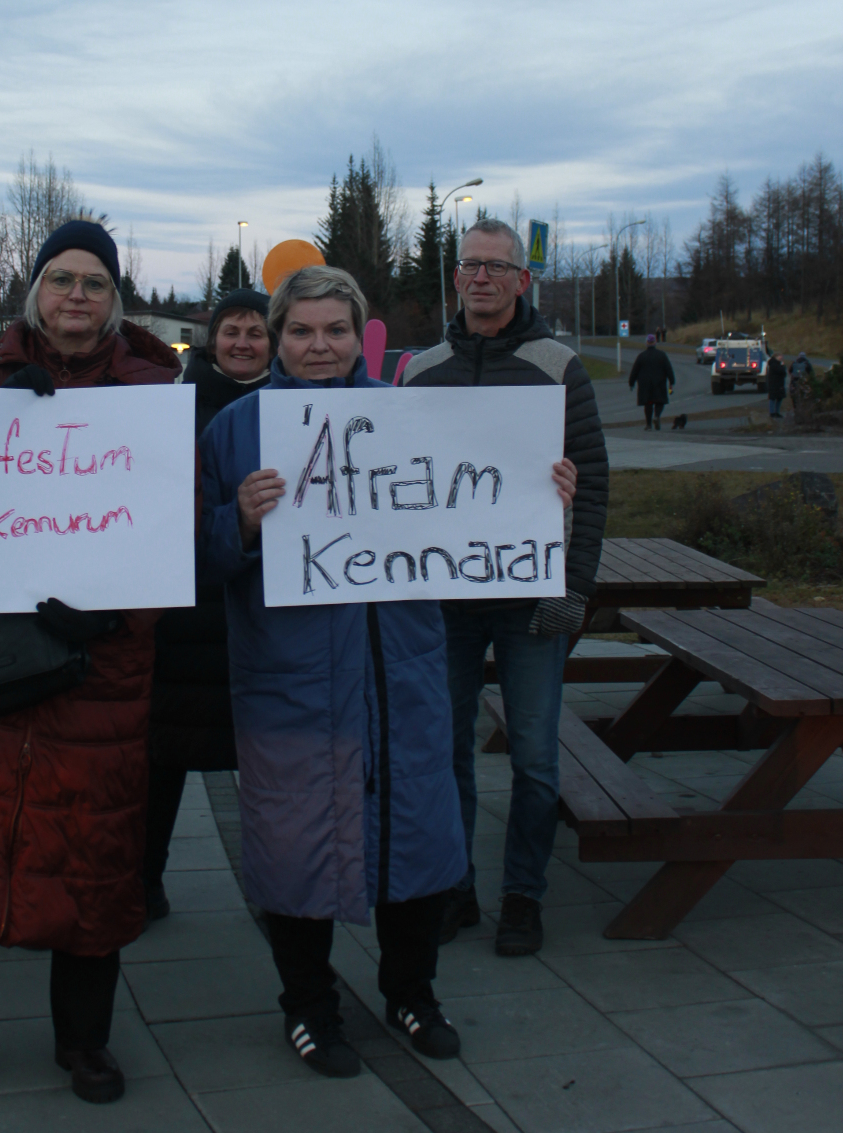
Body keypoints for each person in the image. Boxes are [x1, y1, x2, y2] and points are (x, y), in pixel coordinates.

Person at [0, 220, 182, 1109]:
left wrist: (116, 608)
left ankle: (84, 1043)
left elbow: (167, 533)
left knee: (89, 860)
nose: (78, 297)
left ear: (115, 299)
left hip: (101, 674)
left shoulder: (152, 393)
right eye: (62, 279)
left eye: (95, 282)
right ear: (35, 291)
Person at [200, 264, 468, 1079]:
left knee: (414, 838)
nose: (321, 347)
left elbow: (473, 514)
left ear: (362, 335)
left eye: (336, 330)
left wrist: (540, 496)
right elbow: (193, 556)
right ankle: (309, 1005)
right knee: (296, 845)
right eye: (302, 331)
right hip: (293, 682)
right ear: (278, 339)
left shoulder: (414, 418)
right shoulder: (237, 429)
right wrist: (239, 520)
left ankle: (412, 990)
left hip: (400, 671)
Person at [402, 218, 606, 957]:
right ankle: (456, 888)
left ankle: (524, 894)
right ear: (455, 278)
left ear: (524, 280)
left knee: (535, 755)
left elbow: (595, 482)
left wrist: (572, 588)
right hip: (444, 605)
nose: (482, 277)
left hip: (530, 597)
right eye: (470, 265)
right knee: (444, 746)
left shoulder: (559, 367)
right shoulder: (420, 372)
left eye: (497, 266)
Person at [144, 288, 274, 922]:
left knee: (266, 758)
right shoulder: (174, 409)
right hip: (188, 613)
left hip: (266, 611)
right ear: (211, 340)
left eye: (256, 331)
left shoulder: (296, 407)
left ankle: (279, 883)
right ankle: (143, 879)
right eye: (232, 331)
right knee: (163, 756)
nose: (244, 342)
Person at [628, 333, 676, 430]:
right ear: (655, 343)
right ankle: (657, 416)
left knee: (648, 403)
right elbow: (669, 369)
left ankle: (648, 424)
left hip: (645, 385)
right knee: (659, 402)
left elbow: (634, 371)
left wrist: (631, 382)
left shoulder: (641, 356)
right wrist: (672, 381)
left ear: (646, 343)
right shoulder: (662, 355)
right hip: (659, 383)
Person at [766, 352, 787, 418]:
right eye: (780, 356)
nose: (781, 357)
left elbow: (783, 373)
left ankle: (776, 412)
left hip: (779, 383)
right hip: (774, 384)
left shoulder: (775, 364)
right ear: (776, 357)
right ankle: (772, 412)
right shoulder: (774, 364)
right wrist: (783, 366)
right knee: (773, 398)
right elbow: (781, 371)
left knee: (779, 398)